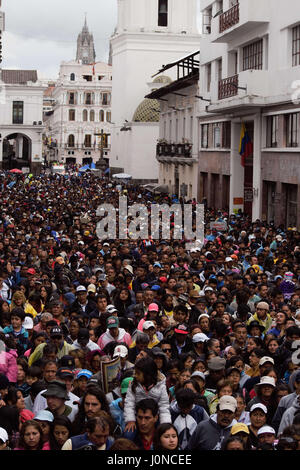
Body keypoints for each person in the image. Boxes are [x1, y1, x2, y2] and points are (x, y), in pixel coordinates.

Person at [124, 357, 170, 434]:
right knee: (129, 434)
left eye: (138, 373)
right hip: (138, 417)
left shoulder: (161, 386)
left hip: (154, 418)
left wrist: (165, 424)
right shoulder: (133, 385)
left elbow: (164, 407)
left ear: (148, 374)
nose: (135, 375)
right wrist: (130, 420)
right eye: (135, 373)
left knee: (163, 434)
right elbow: (129, 403)